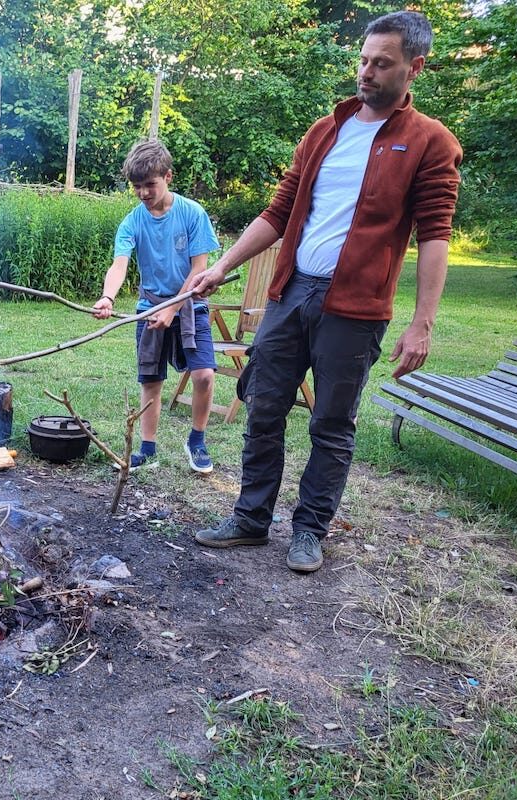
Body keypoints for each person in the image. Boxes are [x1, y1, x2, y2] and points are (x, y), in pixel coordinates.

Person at [188, 10, 463, 574]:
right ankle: (250, 518)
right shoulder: (324, 131)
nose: (366, 72)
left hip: (355, 310)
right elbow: (280, 212)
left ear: (415, 68)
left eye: (381, 64)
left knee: (332, 425)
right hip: (290, 295)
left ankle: (309, 530)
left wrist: (423, 322)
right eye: (363, 60)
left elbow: (436, 234)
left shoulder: (431, 142)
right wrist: (222, 267)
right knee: (263, 405)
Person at [94, 138, 221, 474]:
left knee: (204, 375)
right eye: (137, 187)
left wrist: (174, 308)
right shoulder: (132, 221)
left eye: (149, 184)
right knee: (150, 381)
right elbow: (119, 264)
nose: (143, 193)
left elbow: (199, 269)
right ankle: (147, 449)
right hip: (149, 308)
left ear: (168, 176)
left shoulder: (192, 213)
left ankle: (197, 441)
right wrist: (108, 296)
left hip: (190, 306)